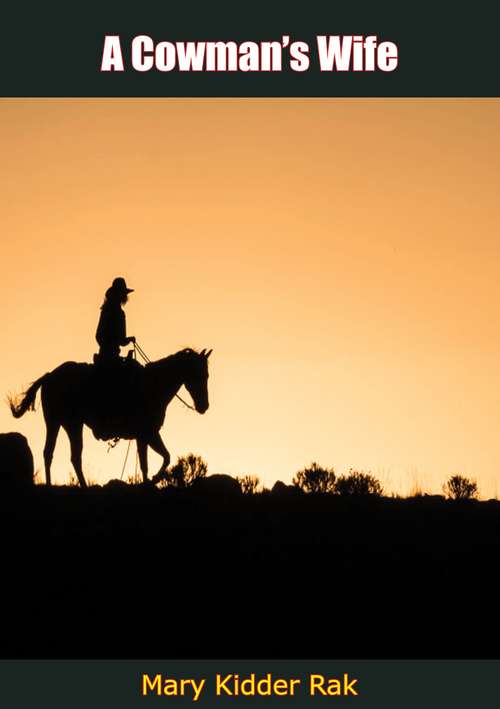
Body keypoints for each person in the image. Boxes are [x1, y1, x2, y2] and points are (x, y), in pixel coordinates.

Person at [95, 277, 136, 363]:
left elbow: (98, 335)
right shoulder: (120, 313)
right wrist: (129, 340)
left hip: (103, 356)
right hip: (112, 357)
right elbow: (121, 340)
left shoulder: (106, 310)